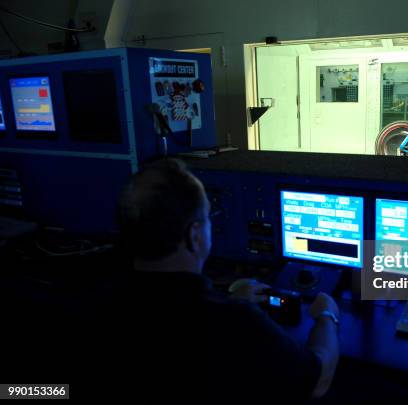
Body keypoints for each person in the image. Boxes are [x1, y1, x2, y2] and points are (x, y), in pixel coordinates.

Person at [86, 158, 340, 401]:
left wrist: (227, 302)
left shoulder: (97, 303)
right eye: (208, 218)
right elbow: (318, 381)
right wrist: (327, 316)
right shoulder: (236, 322)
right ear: (194, 235)